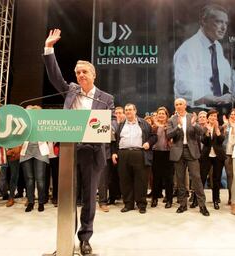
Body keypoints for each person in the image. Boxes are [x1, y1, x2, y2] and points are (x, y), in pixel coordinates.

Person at [43, 29, 114, 255]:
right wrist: (49, 49)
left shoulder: (105, 98)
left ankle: (85, 239)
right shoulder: (71, 91)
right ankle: (65, 239)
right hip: (69, 151)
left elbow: (111, 124)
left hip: (92, 153)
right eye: (77, 72)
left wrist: (105, 129)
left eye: (84, 71)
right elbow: (55, 76)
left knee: (89, 200)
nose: (80, 75)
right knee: (66, 199)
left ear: (93, 75)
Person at [173, 4, 235, 110]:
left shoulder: (216, 46)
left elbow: (227, 74)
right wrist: (216, 100)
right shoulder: (188, 49)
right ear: (203, 21)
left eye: (226, 23)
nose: (224, 27)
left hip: (214, 111)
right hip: (195, 112)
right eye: (218, 21)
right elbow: (184, 89)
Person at [167, 98, 210, 216]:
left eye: (180, 104)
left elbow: (201, 132)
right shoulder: (172, 119)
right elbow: (169, 135)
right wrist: (179, 127)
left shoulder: (192, 117)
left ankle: (202, 206)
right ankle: (183, 204)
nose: (178, 106)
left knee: (196, 178)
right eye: (176, 104)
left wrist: (194, 124)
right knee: (180, 180)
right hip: (178, 152)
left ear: (185, 105)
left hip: (192, 151)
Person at [112, 103, 156, 214]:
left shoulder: (144, 123)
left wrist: (148, 143)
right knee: (125, 180)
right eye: (126, 110)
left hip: (139, 153)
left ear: (135, 111)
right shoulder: (121, 125)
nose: (128, 112)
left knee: (141, 180)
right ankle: (128, 204)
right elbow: (114, 140)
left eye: (130, 110)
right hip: (123, 154)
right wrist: (114, 152)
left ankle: (141, 204)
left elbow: (154, 136)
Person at [201, 109, 226, 210]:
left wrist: (216, 130)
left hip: (218, 156)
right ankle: (197, 199)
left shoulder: (220, 127)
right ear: (208, 118)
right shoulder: (203, 128)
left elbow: (221, 141)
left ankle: (216, 199)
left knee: (216, 179)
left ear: (216, 118)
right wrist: (207, 131)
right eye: (211, 116)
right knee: (202, 177)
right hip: (206, 156)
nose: (213, 118)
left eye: (215, 116)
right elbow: (204, 141)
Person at [151, 106, 174, 208]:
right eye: (159, 113)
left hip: (168, 153)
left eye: (163, 114)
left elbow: (172, 138)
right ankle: (154, 198)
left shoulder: (169, 126)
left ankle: (169, 199)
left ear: (166, 116)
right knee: (156, 178)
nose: (161, 115)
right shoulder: (153, 126)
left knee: (168, 178)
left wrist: (165, 129)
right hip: (156, 153)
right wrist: (155, 126)